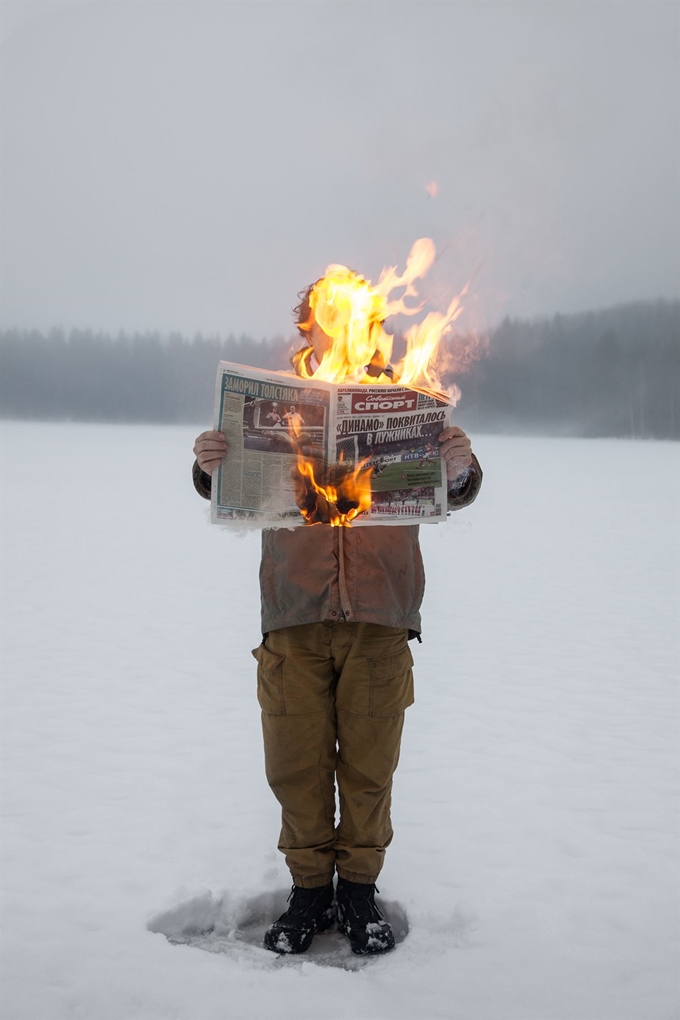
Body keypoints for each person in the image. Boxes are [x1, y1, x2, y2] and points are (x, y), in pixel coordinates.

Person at [192, 279, 482, 957]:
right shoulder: (278, 397)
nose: (340, 327)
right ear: (310, 328)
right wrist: (212, 468)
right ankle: (308, 891)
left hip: (380, 616)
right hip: (294, 615)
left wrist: (460, 469)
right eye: (328, 317)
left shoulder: (409, 396)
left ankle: (357, 888)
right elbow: (229, 496)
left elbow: (458, 495)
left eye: (354, 316)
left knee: (370, 768)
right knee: (295, 765)